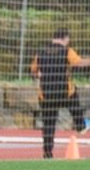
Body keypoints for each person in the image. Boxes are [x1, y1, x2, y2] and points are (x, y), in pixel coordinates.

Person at [33, 28, 81, 158]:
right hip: (63, 93)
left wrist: (40, 75)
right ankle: (80, 123)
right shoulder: (67, 51)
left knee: (48, 123)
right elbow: (79, 63)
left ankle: (47, 152)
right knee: (74, 98)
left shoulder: (41, 52)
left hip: (46, 94)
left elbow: (33, 70)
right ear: (65, 38)